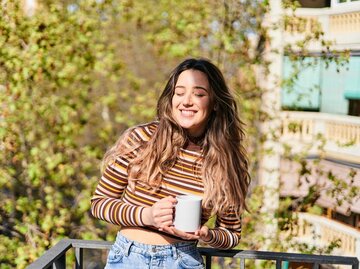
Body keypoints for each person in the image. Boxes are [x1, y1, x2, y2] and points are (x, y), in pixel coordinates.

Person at [91, 58, 250, 269]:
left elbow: (231, 234)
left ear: (214, 104)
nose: (186, 101)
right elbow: (99, 203)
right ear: (171, 98)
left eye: (199, 94)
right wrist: (146, 215)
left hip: (183, 261)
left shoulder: (226, 161)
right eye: (180, 92)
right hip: (128, 258)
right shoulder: (140, 139)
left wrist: (207, 234)